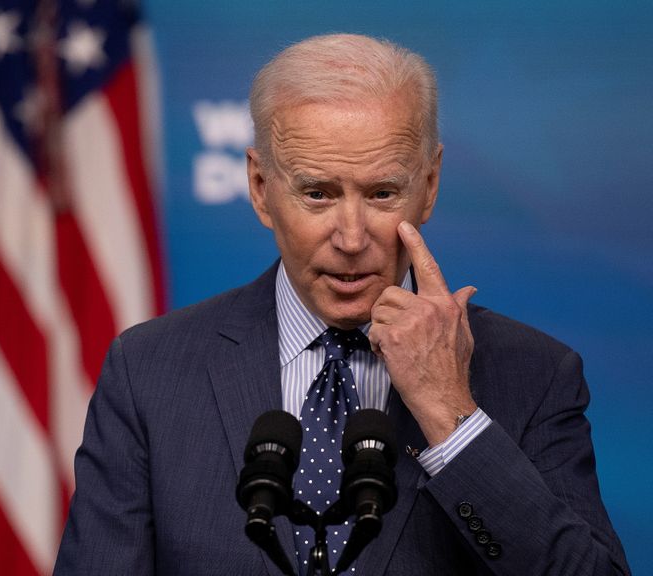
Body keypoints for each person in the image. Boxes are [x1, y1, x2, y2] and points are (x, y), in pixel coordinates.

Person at [53, 34, 630, 575]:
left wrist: (451, 416)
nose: (352, 238)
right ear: (259, 187)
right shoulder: (149, 370)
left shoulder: (533, 373)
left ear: (428, 186)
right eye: (317, 193)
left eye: (382, 193)